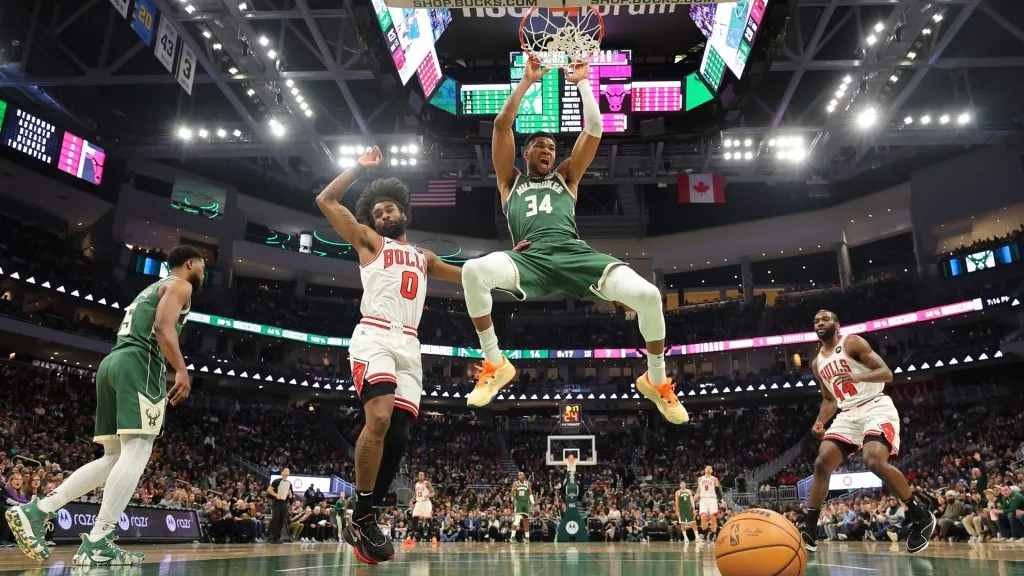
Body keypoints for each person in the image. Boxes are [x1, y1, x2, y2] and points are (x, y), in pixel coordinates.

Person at [460, 56, 688, 425]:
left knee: (648, 296)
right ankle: (494, 361)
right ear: (526, 152)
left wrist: (584, 82)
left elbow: (595, 129)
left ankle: (656, 380)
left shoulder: (567, 177)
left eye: (552, 146)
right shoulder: (510, 182)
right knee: (472, 270)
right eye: (540, 146)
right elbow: (502, 126)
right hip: (528, 258)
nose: (548, 150)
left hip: (574, 254)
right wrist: (525, 83)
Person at [5, 246, 203, 566]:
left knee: (114, 457)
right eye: (203, 267)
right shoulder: (182, 284)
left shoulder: (149, 289)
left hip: (113, 362)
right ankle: (98, 539)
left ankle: (38, 510)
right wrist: (181, 369)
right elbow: (163, 328)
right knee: (138, 450)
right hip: (140, 364)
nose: (204, 274)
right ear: (190, 264)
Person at [314, 146, 463, 565]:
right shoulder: (368, 241)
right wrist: (361, 167)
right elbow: (326, 201)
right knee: (377, 419)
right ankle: (363, 510)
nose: (383, 216)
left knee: (398, 436)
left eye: (389, 209)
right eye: (377, 212)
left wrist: (512, 261)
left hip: (410, 345)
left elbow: (472, 276)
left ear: (403, 213)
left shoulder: (425, 257)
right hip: (375, 335)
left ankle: (362, 516)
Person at [800, 309, 935, 554]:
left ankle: (920, 515)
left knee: (873, 460)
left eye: (824, 319)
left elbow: (887, 373)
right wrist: (820, 422)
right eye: (816, 320)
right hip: (847, 413)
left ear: (836, 324)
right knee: (822, 462)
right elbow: (830, 400)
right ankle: (809, 528)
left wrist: (858, 375)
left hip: (875, 406)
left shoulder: (851, 342)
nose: (819, 322)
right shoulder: (817, 363)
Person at [266, 468, 293, 544]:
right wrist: (276, 495)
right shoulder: (277, 481)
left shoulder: (289, 483)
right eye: (285, 471)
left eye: (288, 471)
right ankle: (269, 536)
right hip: (276, 503)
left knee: (281, 520)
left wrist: (290, 495)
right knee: (275, 519)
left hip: (284, 503)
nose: (287, 472)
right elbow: (269, 490)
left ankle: (277, 537)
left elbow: (289, 493)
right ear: (281, 473)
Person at [407, 472, 434, 544]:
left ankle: (434, 536)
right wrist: (411, 501)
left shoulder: (427, 483)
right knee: (415, 518)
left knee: (428, 519)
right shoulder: (416, 484)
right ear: (418, 476)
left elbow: (433, 493)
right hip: (418, 503)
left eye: (422, 475)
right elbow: (415, 495)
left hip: (426, 502)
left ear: (424, 476)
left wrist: (428, 495)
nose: (420, 476)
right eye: (419, 475)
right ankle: (411, 538)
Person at [697, 467, 721, 542]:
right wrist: (696, 495)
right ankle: (705, 533)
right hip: (703, 499)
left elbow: (717, 490)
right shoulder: (700, 478)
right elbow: (699, 488)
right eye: (707, 468)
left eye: (710, 468)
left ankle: (713, 534)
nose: (708, 469)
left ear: (712, 471)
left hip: (712, 498)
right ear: (704, 470)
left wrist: (720, 498)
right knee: (703, 517)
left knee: (713, 517)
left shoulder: (714, 479)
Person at [510, 471, 533, 543]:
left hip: (526, 503)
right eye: (518, 475)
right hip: (519, 503)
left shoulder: (527, 483)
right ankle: (512, 537)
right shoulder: (515, 483)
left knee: (526, 521)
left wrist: (533, 502)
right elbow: (512, 494)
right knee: (517, 520)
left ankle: (527, 538)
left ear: (524, 476)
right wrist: (513, 490)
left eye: (521, 474)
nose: (519, 475)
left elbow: (530, 493)